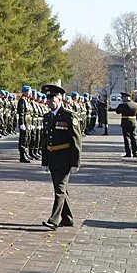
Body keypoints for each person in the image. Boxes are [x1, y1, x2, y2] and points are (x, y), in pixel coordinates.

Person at [40, 83, 82, 230]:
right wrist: (44, 160)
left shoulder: (69, 116)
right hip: (52, 158)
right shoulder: (47, 117)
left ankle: (54, 220)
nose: (49, 102)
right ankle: (68, 218)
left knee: (59, 190)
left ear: (59, 100)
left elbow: (76, 140)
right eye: (48, 99)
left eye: (52, 99)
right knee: (62, 190)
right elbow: (44, 140)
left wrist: (75, 162)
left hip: (64, 158)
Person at [115, 92, 137, 158]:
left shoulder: (124, 105)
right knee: (134, 137)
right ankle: (135, 153)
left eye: (122, 97)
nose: (122, 99)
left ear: (125, 97)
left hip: (126, 122)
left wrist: (121, 104)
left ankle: (128, 153)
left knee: (126, 138)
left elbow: (117, 111)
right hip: (134, 122)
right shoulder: (136, 104)